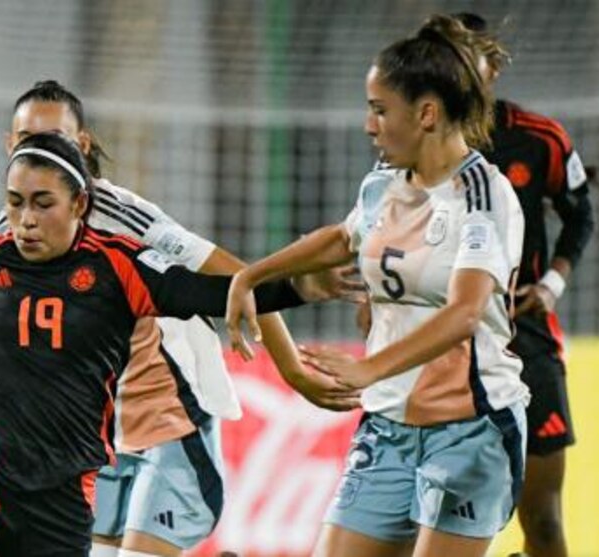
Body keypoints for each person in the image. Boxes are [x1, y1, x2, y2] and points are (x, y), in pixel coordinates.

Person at [0, 132, 308, 557]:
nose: (26, 220)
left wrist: (300, 287)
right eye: (15, 203)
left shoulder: (120, 266)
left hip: (64, 494)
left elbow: (209, 291)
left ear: (79, 202)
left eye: (43, 203)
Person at [0, 81, 362, 557]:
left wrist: (292, 369)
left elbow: (235, 279)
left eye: (57, 139)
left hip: (170, 428)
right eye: (29, 141)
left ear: (82, 145)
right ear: (10, 145)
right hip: (94, 442)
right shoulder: (9, 234)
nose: (42, 152)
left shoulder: (123, 217)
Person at [225, 14, 529, 557]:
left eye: (380, 109)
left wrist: (368, 368)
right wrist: (252, 274)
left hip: (470, 430)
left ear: (427, 113)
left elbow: (465, 311)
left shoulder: (484, 195)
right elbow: (344, 238)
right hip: (387, 427)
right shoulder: (382, 185)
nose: (370, 125)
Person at [455, 13, 596, 557]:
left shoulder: (539, 139)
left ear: (493, 68)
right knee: (443, 516)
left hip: (524, 339)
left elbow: (580, 215)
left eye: (469, 62)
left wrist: (552, 284)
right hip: (445, 346)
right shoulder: (415, 148)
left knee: (542, 518)